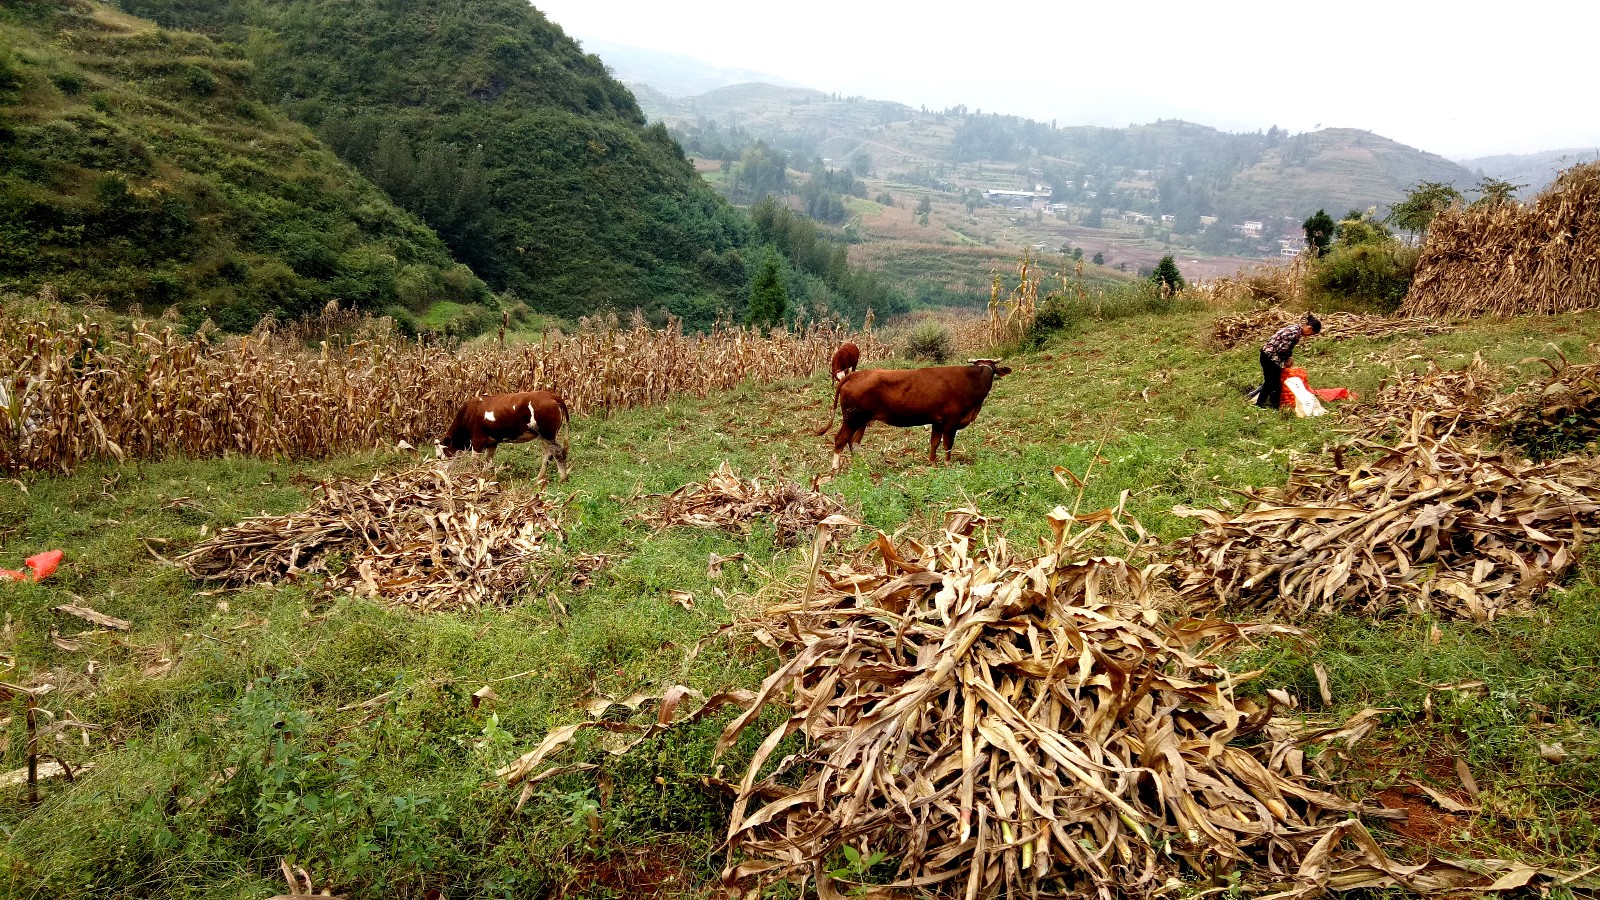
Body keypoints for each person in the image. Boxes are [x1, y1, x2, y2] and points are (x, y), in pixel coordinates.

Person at [1254, 313, 1322, 409]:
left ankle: (1262, 403)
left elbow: (1288, 347)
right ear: (1309, 328)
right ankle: (1272, 406)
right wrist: (1286, 359)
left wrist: (1289, 357)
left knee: (1270, 382)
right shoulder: (1294, 332)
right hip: (1270, 356)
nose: (1309, 335)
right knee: (1274, 384)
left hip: (1270, 356)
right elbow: (1283, 349)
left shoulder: (1296, 330)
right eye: (1311, 333)